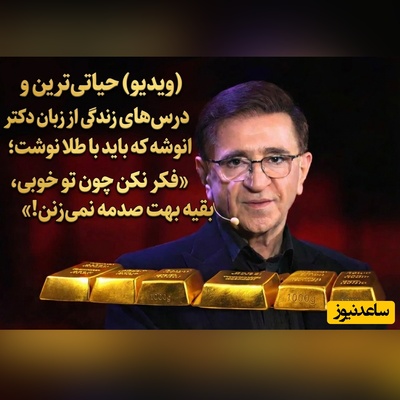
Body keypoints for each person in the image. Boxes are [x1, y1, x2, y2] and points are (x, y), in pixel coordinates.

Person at [105, 80, 385, 329]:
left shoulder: (352, 280)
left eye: (276, 159)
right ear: (206, 175)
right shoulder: (141, 283)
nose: (257, 182)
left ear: (302, 171)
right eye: (236, 162)